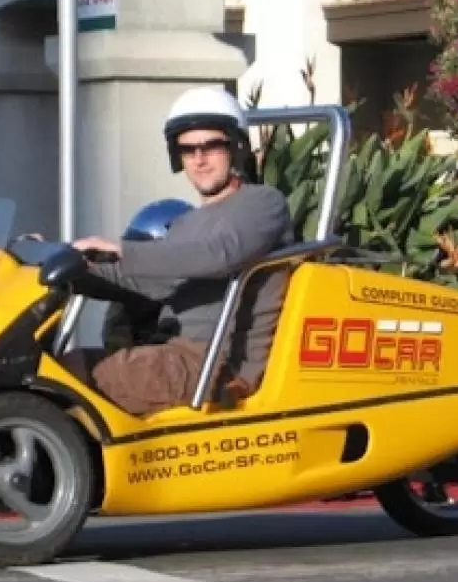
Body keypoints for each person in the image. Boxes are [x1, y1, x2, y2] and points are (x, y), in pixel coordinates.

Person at [63, 86, 293, 415]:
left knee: (63, 378)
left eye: (211, 146)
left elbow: (219, 255)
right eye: (188, 149)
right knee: (54, 365)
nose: (199, 159)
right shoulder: (186, 223)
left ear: (236, 147)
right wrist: (72, 268)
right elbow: (152, 283)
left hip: (216, 365)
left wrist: (124, 250)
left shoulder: (263, 203)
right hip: (176, 355)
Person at [100, 198, 193, 355]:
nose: (139, 268)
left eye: (145, 258)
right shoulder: (132, 298)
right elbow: (115, 341)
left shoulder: (188, 302)